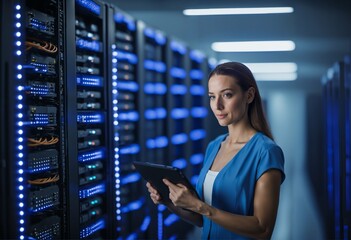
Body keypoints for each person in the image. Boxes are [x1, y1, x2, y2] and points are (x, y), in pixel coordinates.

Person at [146, 61, 285, 239]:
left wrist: (201, 207)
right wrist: (169, 200)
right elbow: (203, 219)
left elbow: (262, 229)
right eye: (212, 96)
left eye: (227, 95)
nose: (217, 105)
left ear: (249, 95)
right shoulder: (215, 146)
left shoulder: (266, 152)